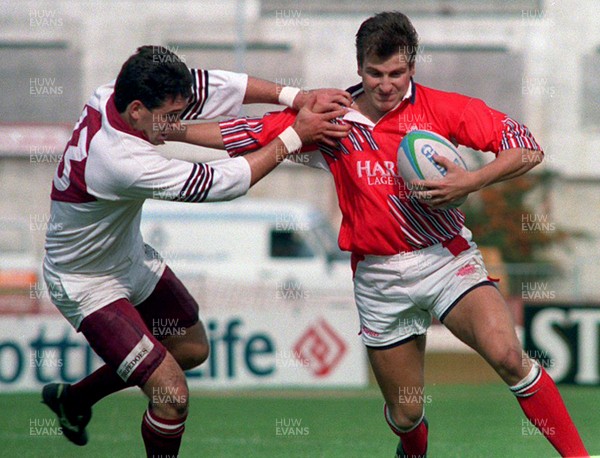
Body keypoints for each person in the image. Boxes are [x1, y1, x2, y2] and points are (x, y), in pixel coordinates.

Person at [173, 12, 589, 458]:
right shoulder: (331, 118)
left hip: (446, 260)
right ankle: (412, 445)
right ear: (358, 67)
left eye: (397, 73)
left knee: (509, 356)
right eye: (375, 73)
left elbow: (526, 147)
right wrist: (164, 130)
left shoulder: (442, 108)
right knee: (407, 413)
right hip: (379, 278)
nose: (386, 84)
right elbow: (245, 133)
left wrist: (471, 181)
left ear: (412, 68)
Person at [41, 45, 350, 457]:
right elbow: (222, 184)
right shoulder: (118, 160)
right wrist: (295, 137)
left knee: (191, 349)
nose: (176, 125)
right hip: (85, 281)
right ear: (136, 111)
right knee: (172, 394)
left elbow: (216, 85)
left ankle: (75, 400)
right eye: (169, 117)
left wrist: (295, 98)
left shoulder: (117, 94)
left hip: (128, 257)